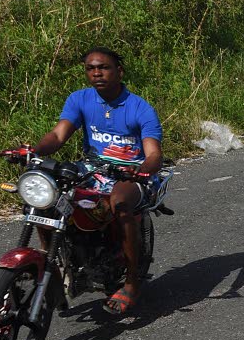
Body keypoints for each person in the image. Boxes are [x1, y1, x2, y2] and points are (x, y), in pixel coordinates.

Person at [30, 47, 163, 316]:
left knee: (120, 202)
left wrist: (142, 171)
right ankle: (55, 270)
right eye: (91, 68)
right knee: (45, 196)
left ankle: (131, 282)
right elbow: (57, 136)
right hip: (91, 169)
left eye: (103, 67)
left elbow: (153, 155)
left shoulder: (140, 108)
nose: (97, 73)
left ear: (119, 71)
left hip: (131, 173)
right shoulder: (80, 100)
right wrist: (34, 151)